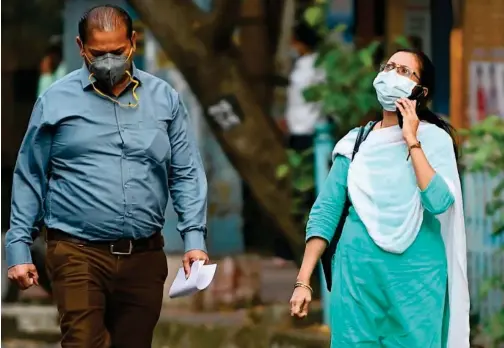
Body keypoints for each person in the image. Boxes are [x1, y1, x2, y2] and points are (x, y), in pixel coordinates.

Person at [6, 5, 209, 348]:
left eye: (118, 51)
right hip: (77, 251)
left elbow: (186, 172)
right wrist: (19, 246)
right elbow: (30, 175)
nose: (110, 61)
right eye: (99, 53)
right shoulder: (55, 102)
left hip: (144, 256)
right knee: (83, 341)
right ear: (81, 47)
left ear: (132, 42)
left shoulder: (164, 100)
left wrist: (194, 241)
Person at [289, 49, 470, 347]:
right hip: (357, 281)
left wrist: (412, 140)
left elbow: (438, 202)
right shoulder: (356, 143)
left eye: (404, 71)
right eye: (389, 66)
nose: (391, 75)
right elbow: (326, 212)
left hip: (416, 282)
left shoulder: (434, 140)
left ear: (420, 91)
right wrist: (303, 280)